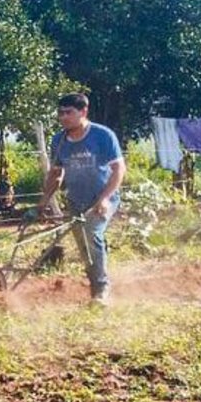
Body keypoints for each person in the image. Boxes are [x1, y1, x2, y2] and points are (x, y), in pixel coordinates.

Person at [37, 92, 126, 307]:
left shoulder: (103, 136)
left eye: (69, 112)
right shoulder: (59, 140)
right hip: (77, 201)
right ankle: (95, 285)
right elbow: (56, 174)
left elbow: (119, 170)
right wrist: (42, 202)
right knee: (83, 245)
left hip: (103, 198)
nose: (63, 117)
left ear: (83, 112)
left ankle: (102, 290)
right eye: (60, 113)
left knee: (91, 233)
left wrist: (104, 199)